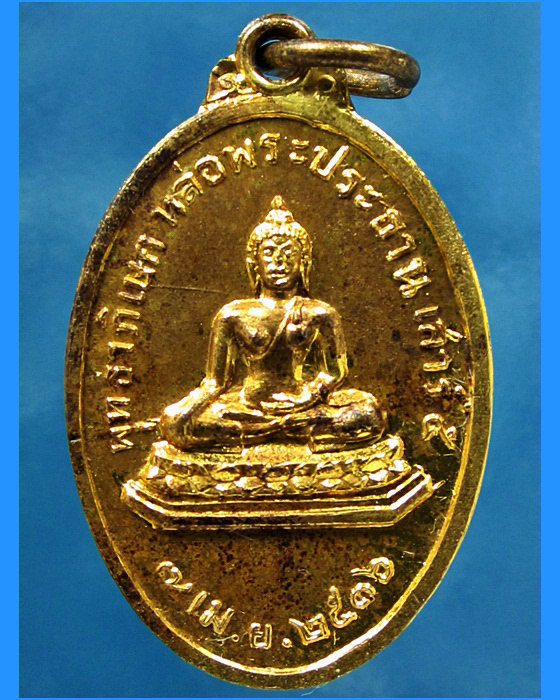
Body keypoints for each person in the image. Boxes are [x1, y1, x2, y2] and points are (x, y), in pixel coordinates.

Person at [160, 196, 385, 452]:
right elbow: (215, 382)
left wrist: (307, 397)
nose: (279, 261)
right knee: (175, 420)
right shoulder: (232, 314)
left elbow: (334, 372)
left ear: (304, 263)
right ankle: (273, 430)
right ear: (254, 263)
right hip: (248, 410)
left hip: (304, 409)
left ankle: (266, 432)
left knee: (370, 413)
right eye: (269, 252)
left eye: (289, 253)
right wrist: (183, 413)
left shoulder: (320, 312)